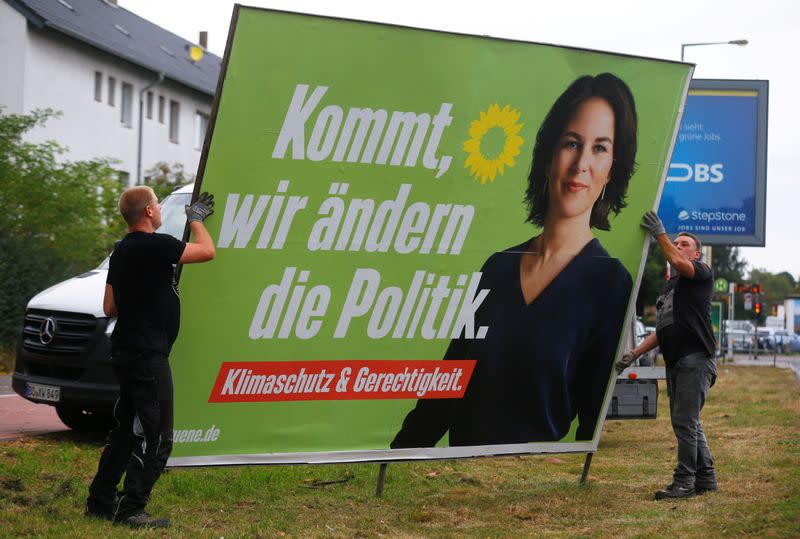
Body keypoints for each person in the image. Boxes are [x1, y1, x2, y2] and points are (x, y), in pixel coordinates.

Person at [391, 73, 635, 448]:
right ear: (549, 154)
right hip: (454, 487)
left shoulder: (611, 284)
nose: (581, 163)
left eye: (600, 148)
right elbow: (446, 387)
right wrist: (395, 462)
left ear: (612, 169)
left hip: (529, 491)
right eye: (572, 143)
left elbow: (592, 422)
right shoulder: (496, 268)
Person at [85, 186, 216, 528]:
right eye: (157, 203)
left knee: (125, 432)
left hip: (126, 352)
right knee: (157, 436)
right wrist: (196, 219)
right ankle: (131, 510)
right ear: (147, 212)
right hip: (148, 356)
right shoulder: (157, 246)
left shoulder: (122, 251)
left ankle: (99, 501)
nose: (159, 208)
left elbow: (109, 306)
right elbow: (206, 251)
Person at [617, 213, 717, 500]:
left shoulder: (701, 272)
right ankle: (706, 478)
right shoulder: (670, 288)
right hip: (677, 361)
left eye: (684, 243)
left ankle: (684, 482)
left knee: (685, 422)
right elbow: (662, 330)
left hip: (696, 358)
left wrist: (660, 234)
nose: (678, 245)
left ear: (696, 253)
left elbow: (676, 261)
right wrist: (633, 354)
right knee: (687, 421)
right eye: (676, 242)